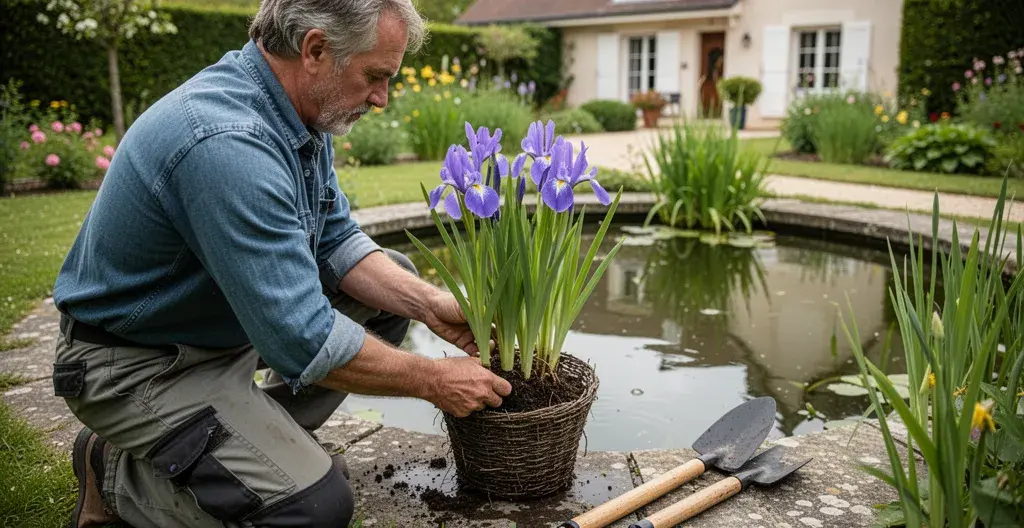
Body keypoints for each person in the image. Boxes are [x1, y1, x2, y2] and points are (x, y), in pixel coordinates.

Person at [50, 1, 512, 526]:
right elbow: (301, 335)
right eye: (376, 76)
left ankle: (249, 447)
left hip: (219, 325)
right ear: (315, 50)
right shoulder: (227, 144)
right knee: (312, 510)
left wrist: (431, 304)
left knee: (396, 282)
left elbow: (334, 240)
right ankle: (115, 476)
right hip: (138, 363)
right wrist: (433, 379)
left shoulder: (298, 111)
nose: (382, 98)